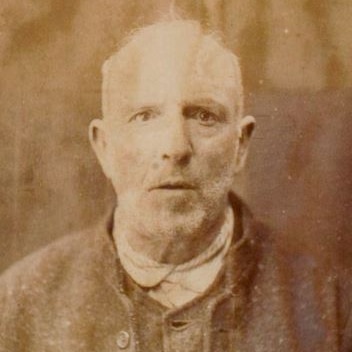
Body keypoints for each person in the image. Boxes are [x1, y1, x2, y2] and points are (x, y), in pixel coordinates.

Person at [0, 19, 351, 352]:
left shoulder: (333, 305)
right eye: (145, 116)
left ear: (240, 145)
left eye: (203, 116)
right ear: (104, 147)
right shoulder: (16, 304)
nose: (175, 147)